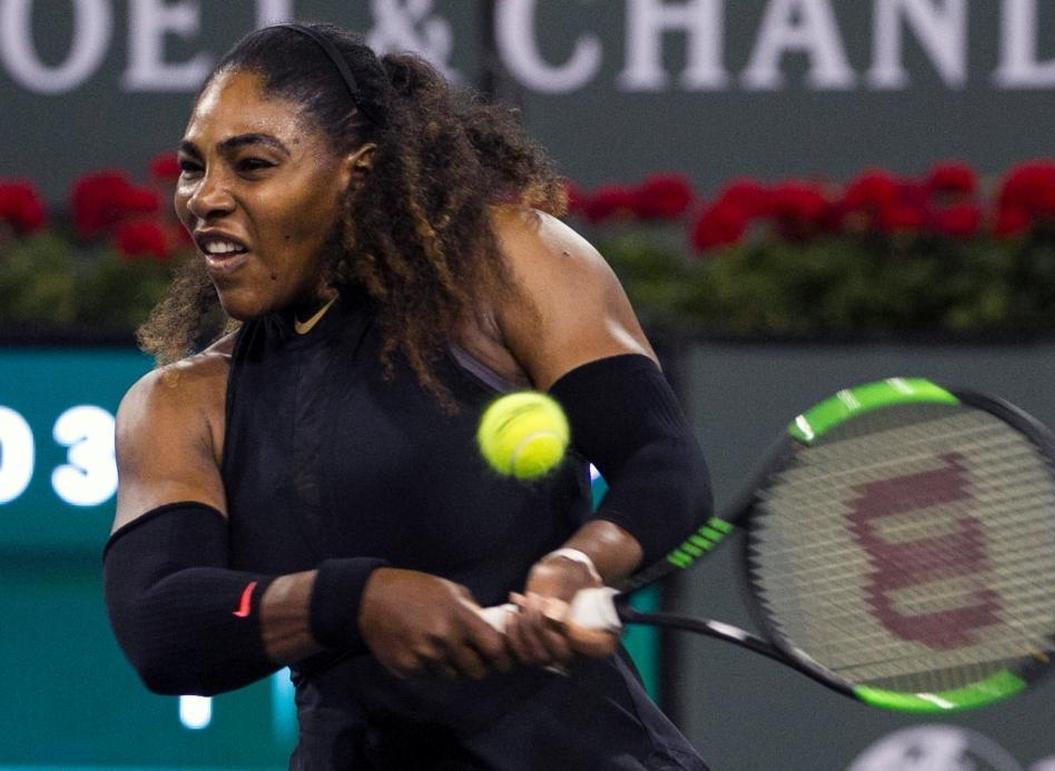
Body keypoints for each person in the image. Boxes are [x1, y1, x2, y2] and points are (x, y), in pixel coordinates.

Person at [103, 21, 712, 770]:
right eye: (192, 168)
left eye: (252, 165)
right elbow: (160, 624)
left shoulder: (508, 261)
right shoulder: (180, 403)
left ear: (356, 174)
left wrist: (583, 562)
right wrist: (354, 600)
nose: (206, 198)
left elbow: (662, 461)